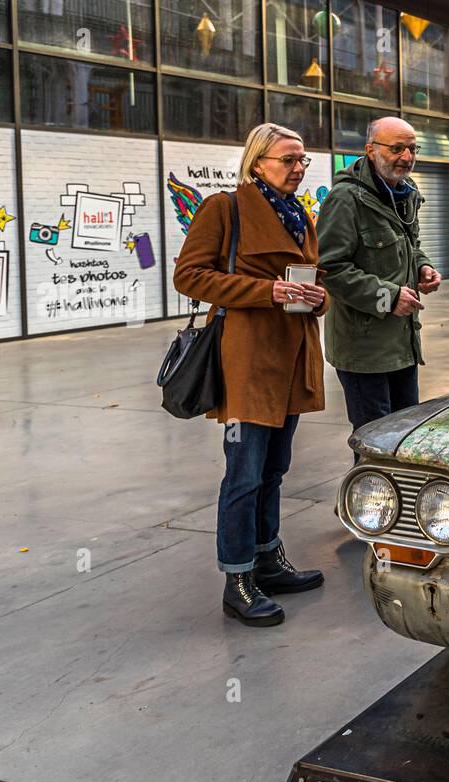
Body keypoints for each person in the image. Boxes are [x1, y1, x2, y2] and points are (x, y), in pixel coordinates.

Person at [173, 122, 329, 628]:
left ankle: (268, 557)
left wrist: (318, 297)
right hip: (248, 363)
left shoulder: (300, 214)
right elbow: (189, 275)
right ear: (257, 162)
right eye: (288, 159)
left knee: (275, 468)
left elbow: (312, 275)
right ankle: (237, 580)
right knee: (243, 473)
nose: (299, 168)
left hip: (291, 359)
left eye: (302, 160)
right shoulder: (225, 208)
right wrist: (268, 293)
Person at [315, 117, 442, 459]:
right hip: (364, 351)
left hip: (402, 344)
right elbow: (329, 268)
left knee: (405, 438)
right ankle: (368, 509)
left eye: (412, 149)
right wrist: (388, 297)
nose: (406, 156)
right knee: (375, 445)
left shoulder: (405, 192)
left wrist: (423, 266)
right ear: (370, 150)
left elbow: (409, 245)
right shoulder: (346, 199)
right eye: (396, 148)